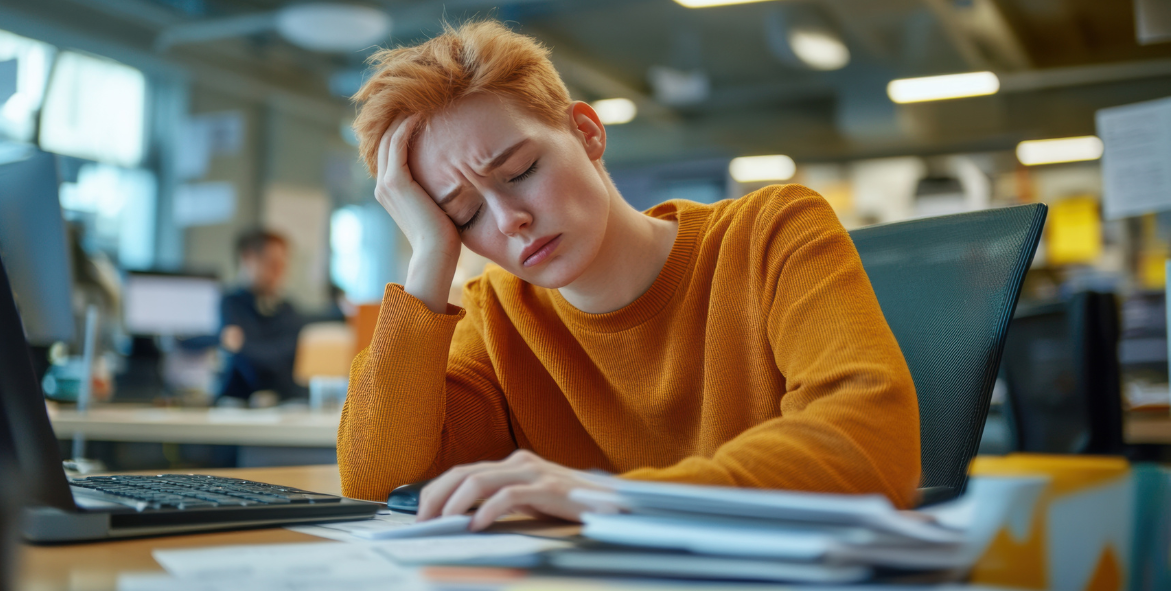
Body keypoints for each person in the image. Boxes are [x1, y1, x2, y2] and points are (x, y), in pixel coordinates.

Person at [340, 21, 920, 530]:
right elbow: (377, 486)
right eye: (464, 214)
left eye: (519, 172)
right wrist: (429, 259)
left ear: (587, 133)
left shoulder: (770, 233)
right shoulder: (497, 314)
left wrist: (623, 498)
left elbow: (872, 444)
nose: (509, 220)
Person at [216, 229, 306, 404]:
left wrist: (244, 346)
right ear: (248, 258)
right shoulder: (230, 303)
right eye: (272, 264)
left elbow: (285, 358)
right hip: (235, 401)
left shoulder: (287, 309)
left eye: (283, 265)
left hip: (284, 403)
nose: (279, 273)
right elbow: (243, 361)